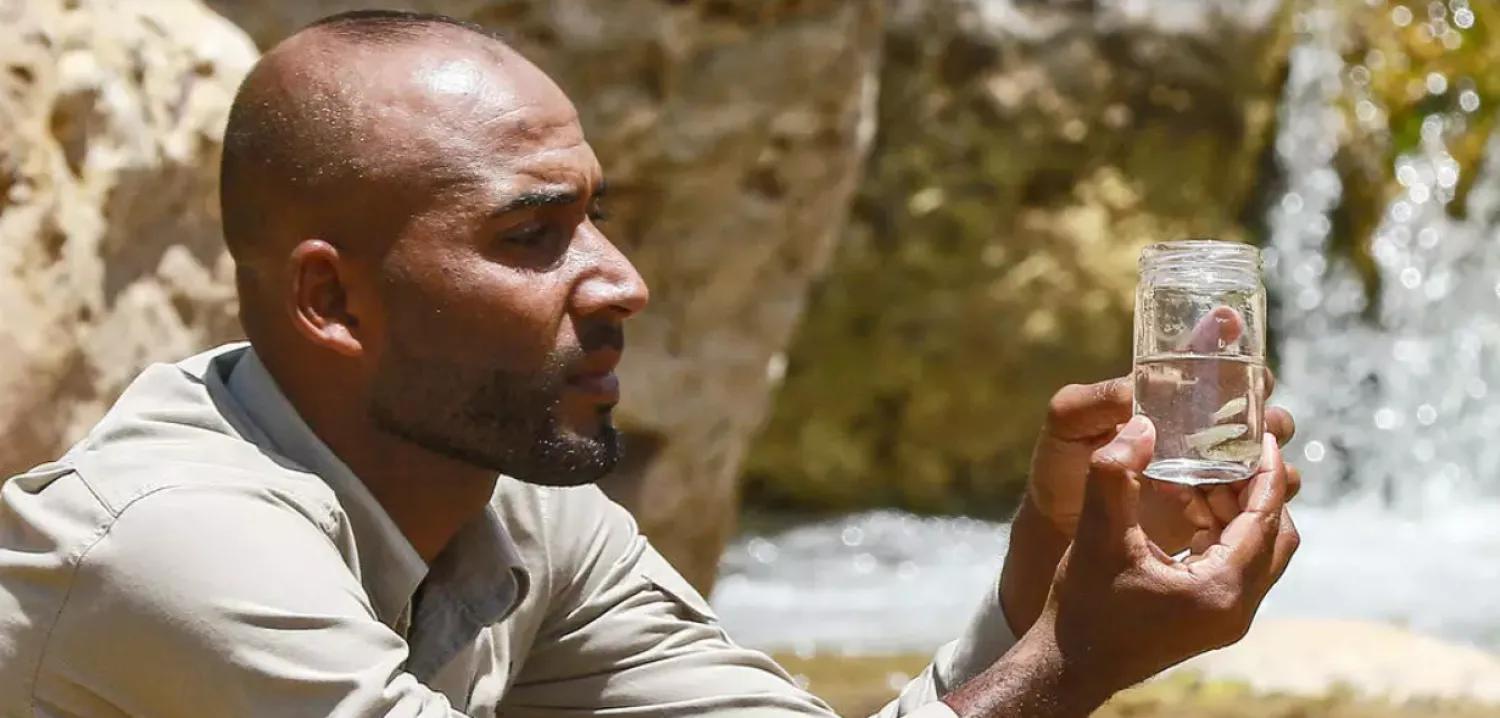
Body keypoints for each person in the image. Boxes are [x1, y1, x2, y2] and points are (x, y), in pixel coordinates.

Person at [0, 10, 1302, 718]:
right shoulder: (178, 552)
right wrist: (1070, 662)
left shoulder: (517, 512)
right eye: (534, 234)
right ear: (331, 300)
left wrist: (1040, 575)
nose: (622, 279)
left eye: (597, 214)